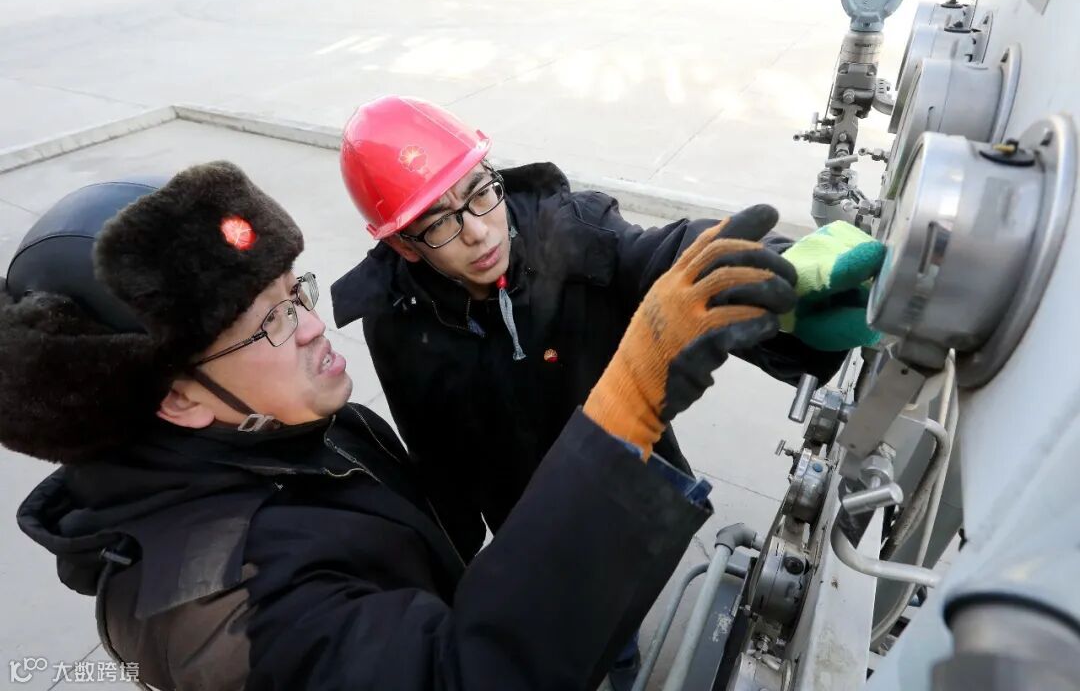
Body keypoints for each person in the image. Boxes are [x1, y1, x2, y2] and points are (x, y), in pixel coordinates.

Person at [3, 160, 798, 690]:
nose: (313, 327)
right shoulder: (221, 616)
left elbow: (619, 248)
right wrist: (628, 406)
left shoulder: (289, 431)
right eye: (270, 322)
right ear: (177, 400)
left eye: (296, 292)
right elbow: (462, 676)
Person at [330, 96, 880, 568]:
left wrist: (779, 275)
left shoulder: (569, 233)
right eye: (438, 223)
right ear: (402, 245)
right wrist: (455, 567)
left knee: (620, 618)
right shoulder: (396, 322)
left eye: (478, 192)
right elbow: (437, 458)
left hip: (627, 492)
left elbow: (662, 257)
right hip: (527, 523)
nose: (477, 231)